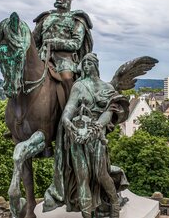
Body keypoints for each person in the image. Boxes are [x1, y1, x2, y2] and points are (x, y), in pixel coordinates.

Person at [55, 53, 129, 218]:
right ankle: (87, 214)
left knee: (102, 174)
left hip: (96, 137)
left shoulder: (107, 88)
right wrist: (66, 120)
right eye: (84, 63)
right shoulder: (79, 86)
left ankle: (114, 203)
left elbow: (110, 112)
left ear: (96, 65)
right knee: (83, 178)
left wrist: (96, 127)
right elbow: (70, 107)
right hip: (78, 136)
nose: (86, 66)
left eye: (89, 63)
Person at [32, 0, 93, 101]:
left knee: (67, 77)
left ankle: (72, 108)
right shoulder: (46, 17)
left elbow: (76, 43)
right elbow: (33, 40)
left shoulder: (77, 19)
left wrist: (54, 43)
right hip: (43, 55)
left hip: (65, 58)